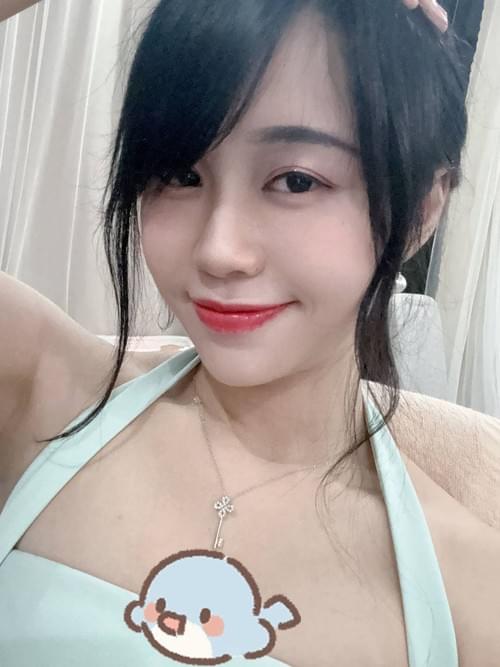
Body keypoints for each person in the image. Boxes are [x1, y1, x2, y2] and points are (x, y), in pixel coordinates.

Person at [0, 1, 499, 666]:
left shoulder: (472, 595)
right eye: (180, 175)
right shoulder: (38, 391)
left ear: (422, 209)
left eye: (295, 180)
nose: (219, 249)